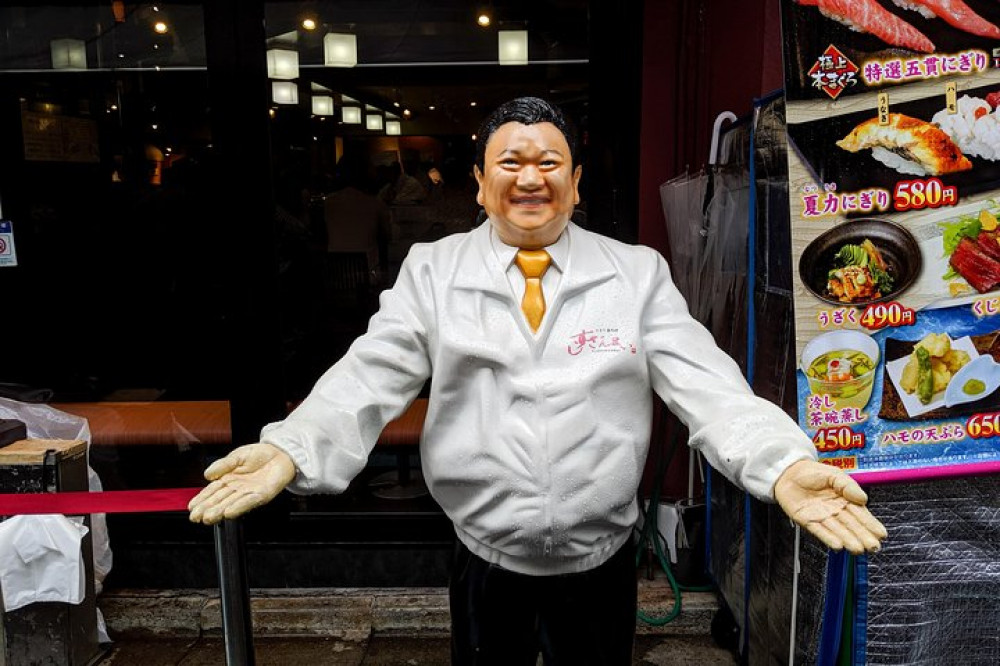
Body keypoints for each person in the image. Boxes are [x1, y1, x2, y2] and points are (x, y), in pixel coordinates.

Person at [189, 97, 887, 665]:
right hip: (483, 553)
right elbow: (370, 373)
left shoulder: (634, 273)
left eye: (550, 161)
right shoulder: (434, 270)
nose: (531, 177)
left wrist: (785, 463)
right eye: (511, 162)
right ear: (480, 182)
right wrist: (293, 446)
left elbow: (708, 384)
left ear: (576, 182)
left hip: (602, 556)